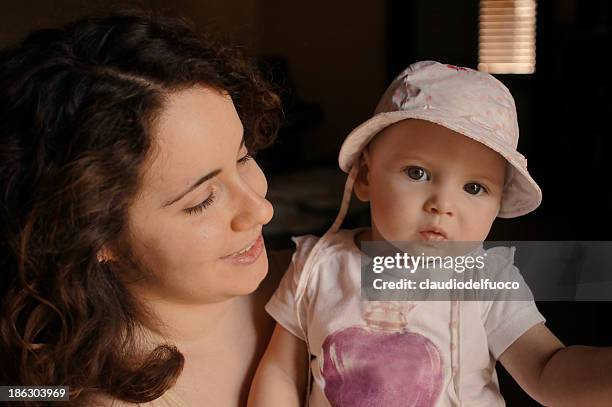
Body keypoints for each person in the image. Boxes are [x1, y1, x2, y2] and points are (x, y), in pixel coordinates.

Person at [248, 61, 612, 406]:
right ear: (363, 177)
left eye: (473, 188)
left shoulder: (486, 280)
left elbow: (545, 369)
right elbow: (281, 370)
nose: (442, 204)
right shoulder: (318, 266)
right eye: (417, 173)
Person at [0, 10, 288, 406]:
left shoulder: (319, 270)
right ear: (97, 233)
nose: (261, 211)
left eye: (243, 158)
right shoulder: (79, 392)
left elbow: (401, 266)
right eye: (202, 201)